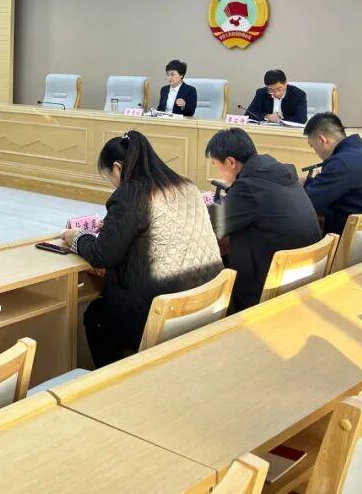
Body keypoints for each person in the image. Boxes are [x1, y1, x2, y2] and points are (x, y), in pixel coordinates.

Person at [60, 131, 223, 367]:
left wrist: (76, 236)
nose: (113, 184)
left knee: (97, 316)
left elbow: (102, 254)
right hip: (207, 299)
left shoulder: (131, 194)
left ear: (117, 167)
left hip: (165, 311)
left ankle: (116, 381)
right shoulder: (186, 185)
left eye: (110, 177)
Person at [205, 128, 321, 311]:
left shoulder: (250, 187)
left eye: (216, 165)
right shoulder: (280, 173)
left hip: (267, 289)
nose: (219, 173)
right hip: (302, 276)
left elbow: (210, 223)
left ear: (231, 162)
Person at [302, 112, 362, 235]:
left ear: (322, 140)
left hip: (354, 239)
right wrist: (310, 182)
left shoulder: (341, 162)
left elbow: (307, 203)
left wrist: (298, 186)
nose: (315, 152)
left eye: (313, 146)